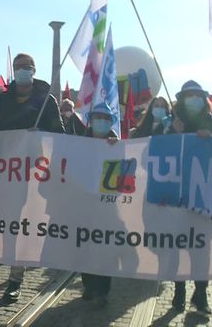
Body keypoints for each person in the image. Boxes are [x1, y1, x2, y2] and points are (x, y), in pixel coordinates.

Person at [0, 53, 64, 303]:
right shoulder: (3, 100)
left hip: (30, 174)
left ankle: (15, 279)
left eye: (27, 67)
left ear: (34, 70)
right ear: (13, 72)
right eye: (18, 68)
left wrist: (40, 134)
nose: (22, 71)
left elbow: (60, 134)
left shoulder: (45, 101)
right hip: (2, 173)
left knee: (20, 226)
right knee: (3, 223)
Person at [168, 80, 212, 315]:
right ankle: (178, 291)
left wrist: (211, 139)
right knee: (176, 248)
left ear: (204, 99)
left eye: (197, 95)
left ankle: (201, 295)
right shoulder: (170, 123)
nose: (193, 99)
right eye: (188, 96)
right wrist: (173, 133)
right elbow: (150, 149)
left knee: (202, 249)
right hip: (176, 197)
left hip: (205, 196)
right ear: (181, 100)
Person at [80, 102, 118, 308]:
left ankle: (103, 289)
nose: (101, 123)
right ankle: (89, 285)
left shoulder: (118, 145)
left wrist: (118, 148)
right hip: (85, 205)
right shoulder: (77, 144)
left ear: (110, 122)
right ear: (91, 122)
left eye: (105, 119)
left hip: (108, 207)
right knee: (86, 247)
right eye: (97, 119)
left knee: (105, 249)